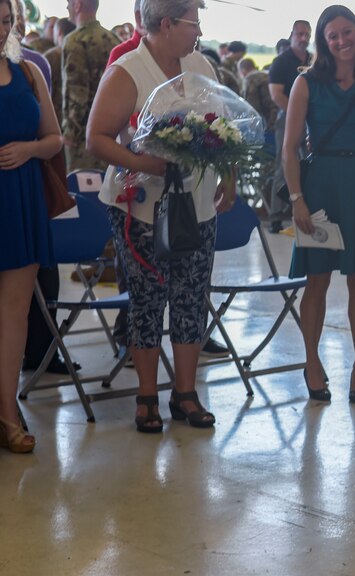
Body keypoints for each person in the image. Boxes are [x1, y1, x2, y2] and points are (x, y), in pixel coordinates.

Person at [87, 0, 234, 433]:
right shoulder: (128, 70)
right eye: (194, 22)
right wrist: (147, 163)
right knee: (149, 299)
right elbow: (96, 138)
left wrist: (230, 173)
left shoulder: (201, 65)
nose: (199, 31)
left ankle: (185, 393)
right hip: (141, 206)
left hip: (198, 202)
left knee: (191, 294)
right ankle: (146, 394)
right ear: (167, 24)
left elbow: (223, 128)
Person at [283, 4, 355, 404]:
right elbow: (289, 149)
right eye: (333, 35)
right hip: (320, 186)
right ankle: (311, 361)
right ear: (324, 42)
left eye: (347, 32)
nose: (342, 41)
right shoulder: (306, 83)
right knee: (317, 279)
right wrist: (296, 199)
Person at [0, 0, 62, 452]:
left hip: (20, 197)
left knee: (15, 312)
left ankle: (7, 412)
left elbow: (55, 138)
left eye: (5, 21)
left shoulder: (28, 72)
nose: (1, 28)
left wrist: (28, 150)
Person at [62, 0, 119, 173]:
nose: (67, 7)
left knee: (82, 195)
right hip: (111, 135)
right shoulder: (114, 39)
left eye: (69, 3)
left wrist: (69, 132)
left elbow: (76, 93)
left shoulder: (74, 40)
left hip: (83, 139)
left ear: (77, 5)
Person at [269, 20, 312, 234]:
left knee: (311, 164)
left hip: (312, 120)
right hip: (287, 117)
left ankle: (309, 210)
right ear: (292, 34)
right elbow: (276, 94)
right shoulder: (281, 62)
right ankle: (276, 216)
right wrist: (298, 114)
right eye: (300, 34)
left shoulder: (314, 60)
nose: (303, 38)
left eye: (307, 34)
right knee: (283, 163)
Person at [43, 18, 76, 125]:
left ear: (59, 32)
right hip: (78, 116)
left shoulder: (50, 56)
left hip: (54, 116)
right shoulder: (81, 52)